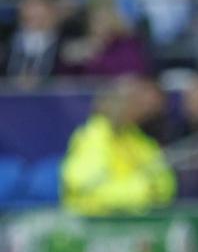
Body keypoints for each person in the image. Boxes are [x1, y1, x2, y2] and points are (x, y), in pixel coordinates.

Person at [61, 76, 177, 216]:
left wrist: (141, 191)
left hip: (137, 222)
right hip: (94, 226)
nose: (134, 108)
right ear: (107, 103)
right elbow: (89, 191)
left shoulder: (138, 139)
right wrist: (137, 191)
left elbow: (165, 184)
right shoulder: (91, 137)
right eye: (128, 101)